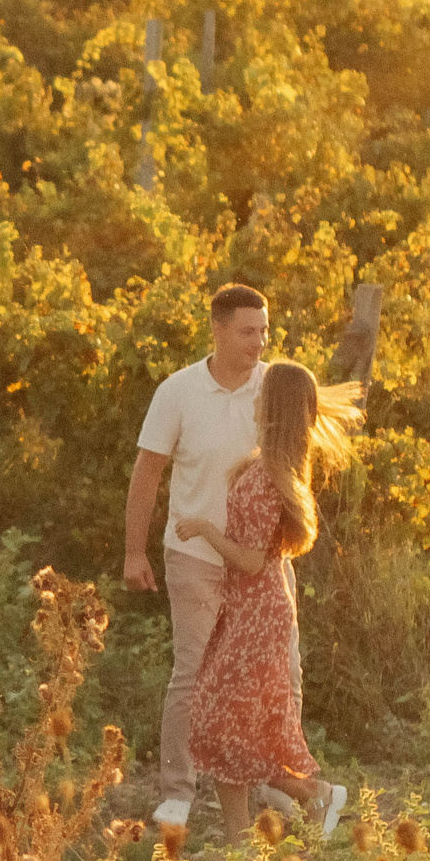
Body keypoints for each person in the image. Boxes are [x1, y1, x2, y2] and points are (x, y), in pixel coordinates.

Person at [174, 360, 361, 843]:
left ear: (271, 404)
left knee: (222, 725)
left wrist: (206, 530)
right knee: (227, 727)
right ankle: (245, 843)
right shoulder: (266, 469)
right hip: (250, 611)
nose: (253, 396)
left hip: (257, 613)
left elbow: (252, 562)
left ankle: (314, 793)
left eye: (261, 391)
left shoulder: (264, 478)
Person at [123, 283, 290, 828]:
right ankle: (177, 790)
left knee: (281, 671)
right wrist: (134, 551)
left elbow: (297, 463)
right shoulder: (177, 392)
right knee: (194, 672)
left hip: (262, 560)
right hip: (194, 555)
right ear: (217, 329)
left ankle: (270, 780)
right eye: (248, 331)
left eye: (264, 330)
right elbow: (148, 472)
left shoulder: (275, 388)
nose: (259, 342)